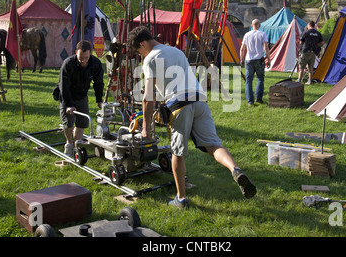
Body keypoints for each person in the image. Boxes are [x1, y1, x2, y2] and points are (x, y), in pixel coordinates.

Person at [128, 26, 256, 209]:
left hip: (179, 105)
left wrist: (146, 128)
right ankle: (235, 169)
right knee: (213, 146)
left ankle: (181, 199)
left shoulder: (150, 59)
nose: (140, 54)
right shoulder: (176, 50)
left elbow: (148, 97)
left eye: (138, 50)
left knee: (177, 152)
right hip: (200, 100)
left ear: (142, 44)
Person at [58, 40, 104, 156]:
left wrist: (99, 100)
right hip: (68, 95)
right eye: (81, 57)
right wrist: (68, 104)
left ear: (91, 53)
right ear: (76, 52)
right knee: (68, 121)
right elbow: (64, 87)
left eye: (86, 57)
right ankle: (68, 144)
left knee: (82, 122)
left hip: (82, 95)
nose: (83, 60)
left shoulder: (95, 63)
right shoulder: (68, 64)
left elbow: (98, 83)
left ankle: (76, 145)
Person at [240, 19, 271, 105]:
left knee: (248, 80)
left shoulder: (247, 34)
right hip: (259, 59)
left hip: (248, 59)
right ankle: (258, 98)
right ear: (259, 25)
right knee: (260, 79)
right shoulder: (262, 34)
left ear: (252, 25)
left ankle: (250, 101)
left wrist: (241, 59)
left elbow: (242, 48)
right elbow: (265, 48)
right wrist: (269, 59)